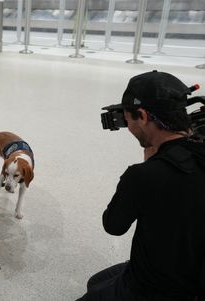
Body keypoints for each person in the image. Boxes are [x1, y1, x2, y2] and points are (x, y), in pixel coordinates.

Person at [77, 71, 205, 301]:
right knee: (96, 282)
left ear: (143, 116)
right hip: (192, 278)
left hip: (149, 289)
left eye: (128, 119)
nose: (128, 126)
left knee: (94, 289)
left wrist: (149, 163)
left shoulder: (143, 176)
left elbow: (113, 225)